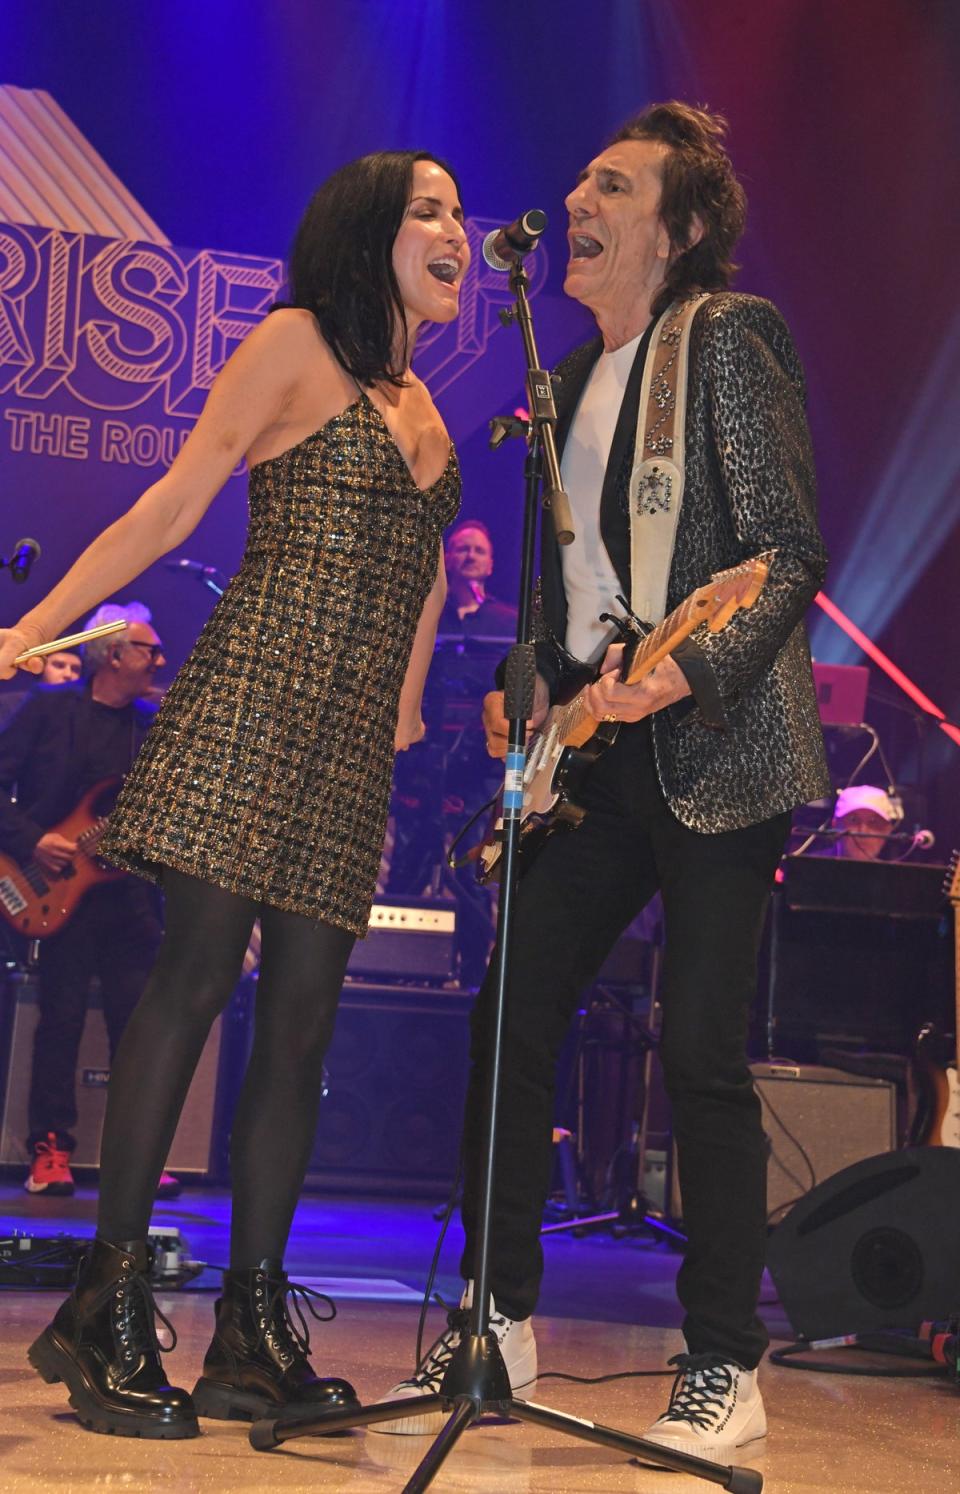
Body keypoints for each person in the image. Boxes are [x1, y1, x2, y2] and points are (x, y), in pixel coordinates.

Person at [381, 103, 830, 1462]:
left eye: (614, 185)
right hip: (594, 752)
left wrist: (680, 675)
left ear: (680, 229)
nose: (576, 198)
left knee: (696, 1045)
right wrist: (531, 681)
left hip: (714, 743)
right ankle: (500, 1315)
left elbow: (786, 554)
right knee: (511, 1017)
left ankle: (722, 1361)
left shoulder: (730, 339)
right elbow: (554, 607)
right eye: (578, 174)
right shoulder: (566, 381)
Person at [0, 149, 468, 1439]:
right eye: (428, 210)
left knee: (306, 1025)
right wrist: (36, 625)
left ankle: (252, 1330)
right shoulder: (295, 345)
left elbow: (424, 585)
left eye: (460, 215)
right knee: (194, 980)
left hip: (342, 751)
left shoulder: (422, 402)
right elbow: (171, 503)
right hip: (253, 700)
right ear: (368, 230)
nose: (457, 233)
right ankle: (104, 1305)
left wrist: (405, 717)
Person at [0, 602, 182, 1200]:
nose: (158, 658)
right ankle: (51, 1147)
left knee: (142, 1026)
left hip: (127, 897)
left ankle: (138, 1153)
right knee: (62, 1019)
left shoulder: (153, 728)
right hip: (53, 889)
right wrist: (35, 840)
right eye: (147, 649)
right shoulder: (50, 711)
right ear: (111, 655)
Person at [439, 519, 518, 638]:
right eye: (463, 549)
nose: (471, 556)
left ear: (490, 566)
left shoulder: (511, 621)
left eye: (479, 551)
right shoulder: (432, 614)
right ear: (447, 560)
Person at [0, 647, 81, 729]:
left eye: (75, 669)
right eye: (59, 666)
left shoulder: (81, 710)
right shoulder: (9, 703)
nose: (68, 674)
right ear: (41, 668)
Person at [830, 784, 898, 860]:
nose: (863, 832)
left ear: (887, 830)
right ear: (835, 825)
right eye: (853, 820)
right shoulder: (814, 866)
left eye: (873, 822)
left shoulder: (897, 871)